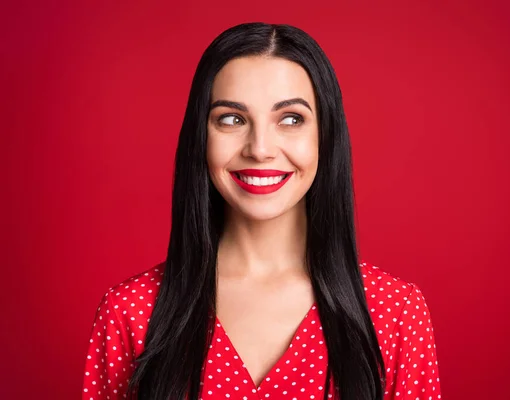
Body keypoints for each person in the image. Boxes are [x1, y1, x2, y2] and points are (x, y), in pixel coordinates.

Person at [82, 22, 441, 400]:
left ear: (325, 137)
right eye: (232, 119)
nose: (260, 148)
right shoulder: (130, 313)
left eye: (291, 119)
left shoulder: (397, 313)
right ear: (200, 138)